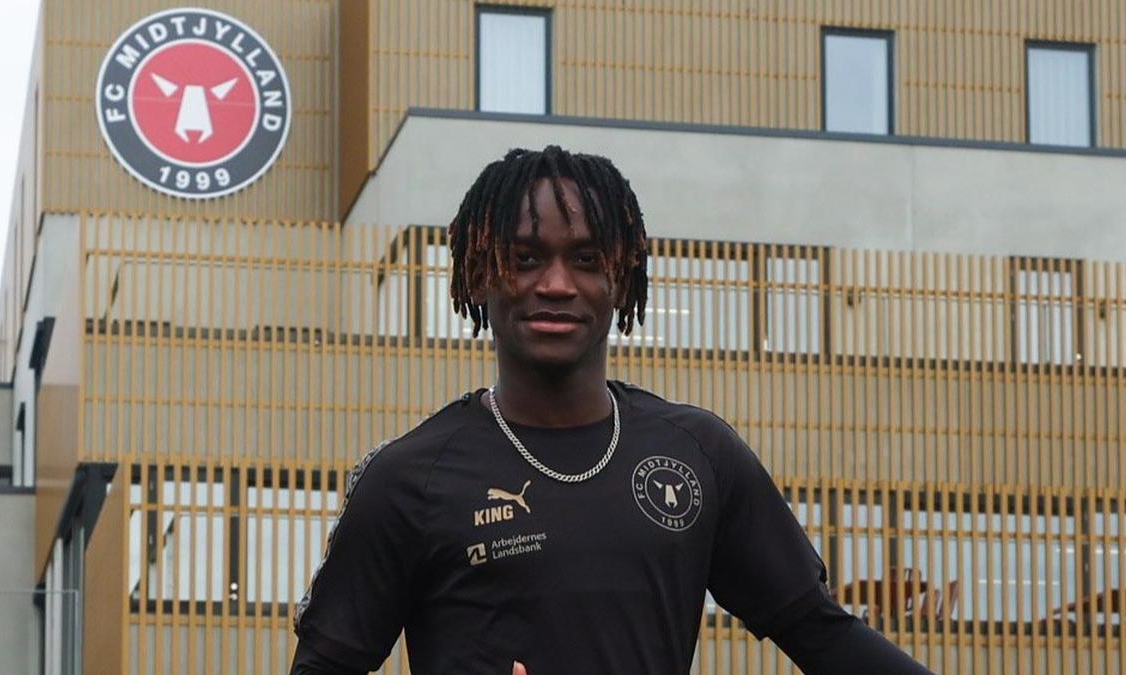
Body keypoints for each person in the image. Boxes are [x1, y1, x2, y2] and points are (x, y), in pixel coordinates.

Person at [290, 146, 932, 674]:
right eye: (525, 259)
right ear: (480, 274)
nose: (556, 284)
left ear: (620, 280)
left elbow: (819, 631)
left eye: (587, 260)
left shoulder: (698, 454)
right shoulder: (410, 478)